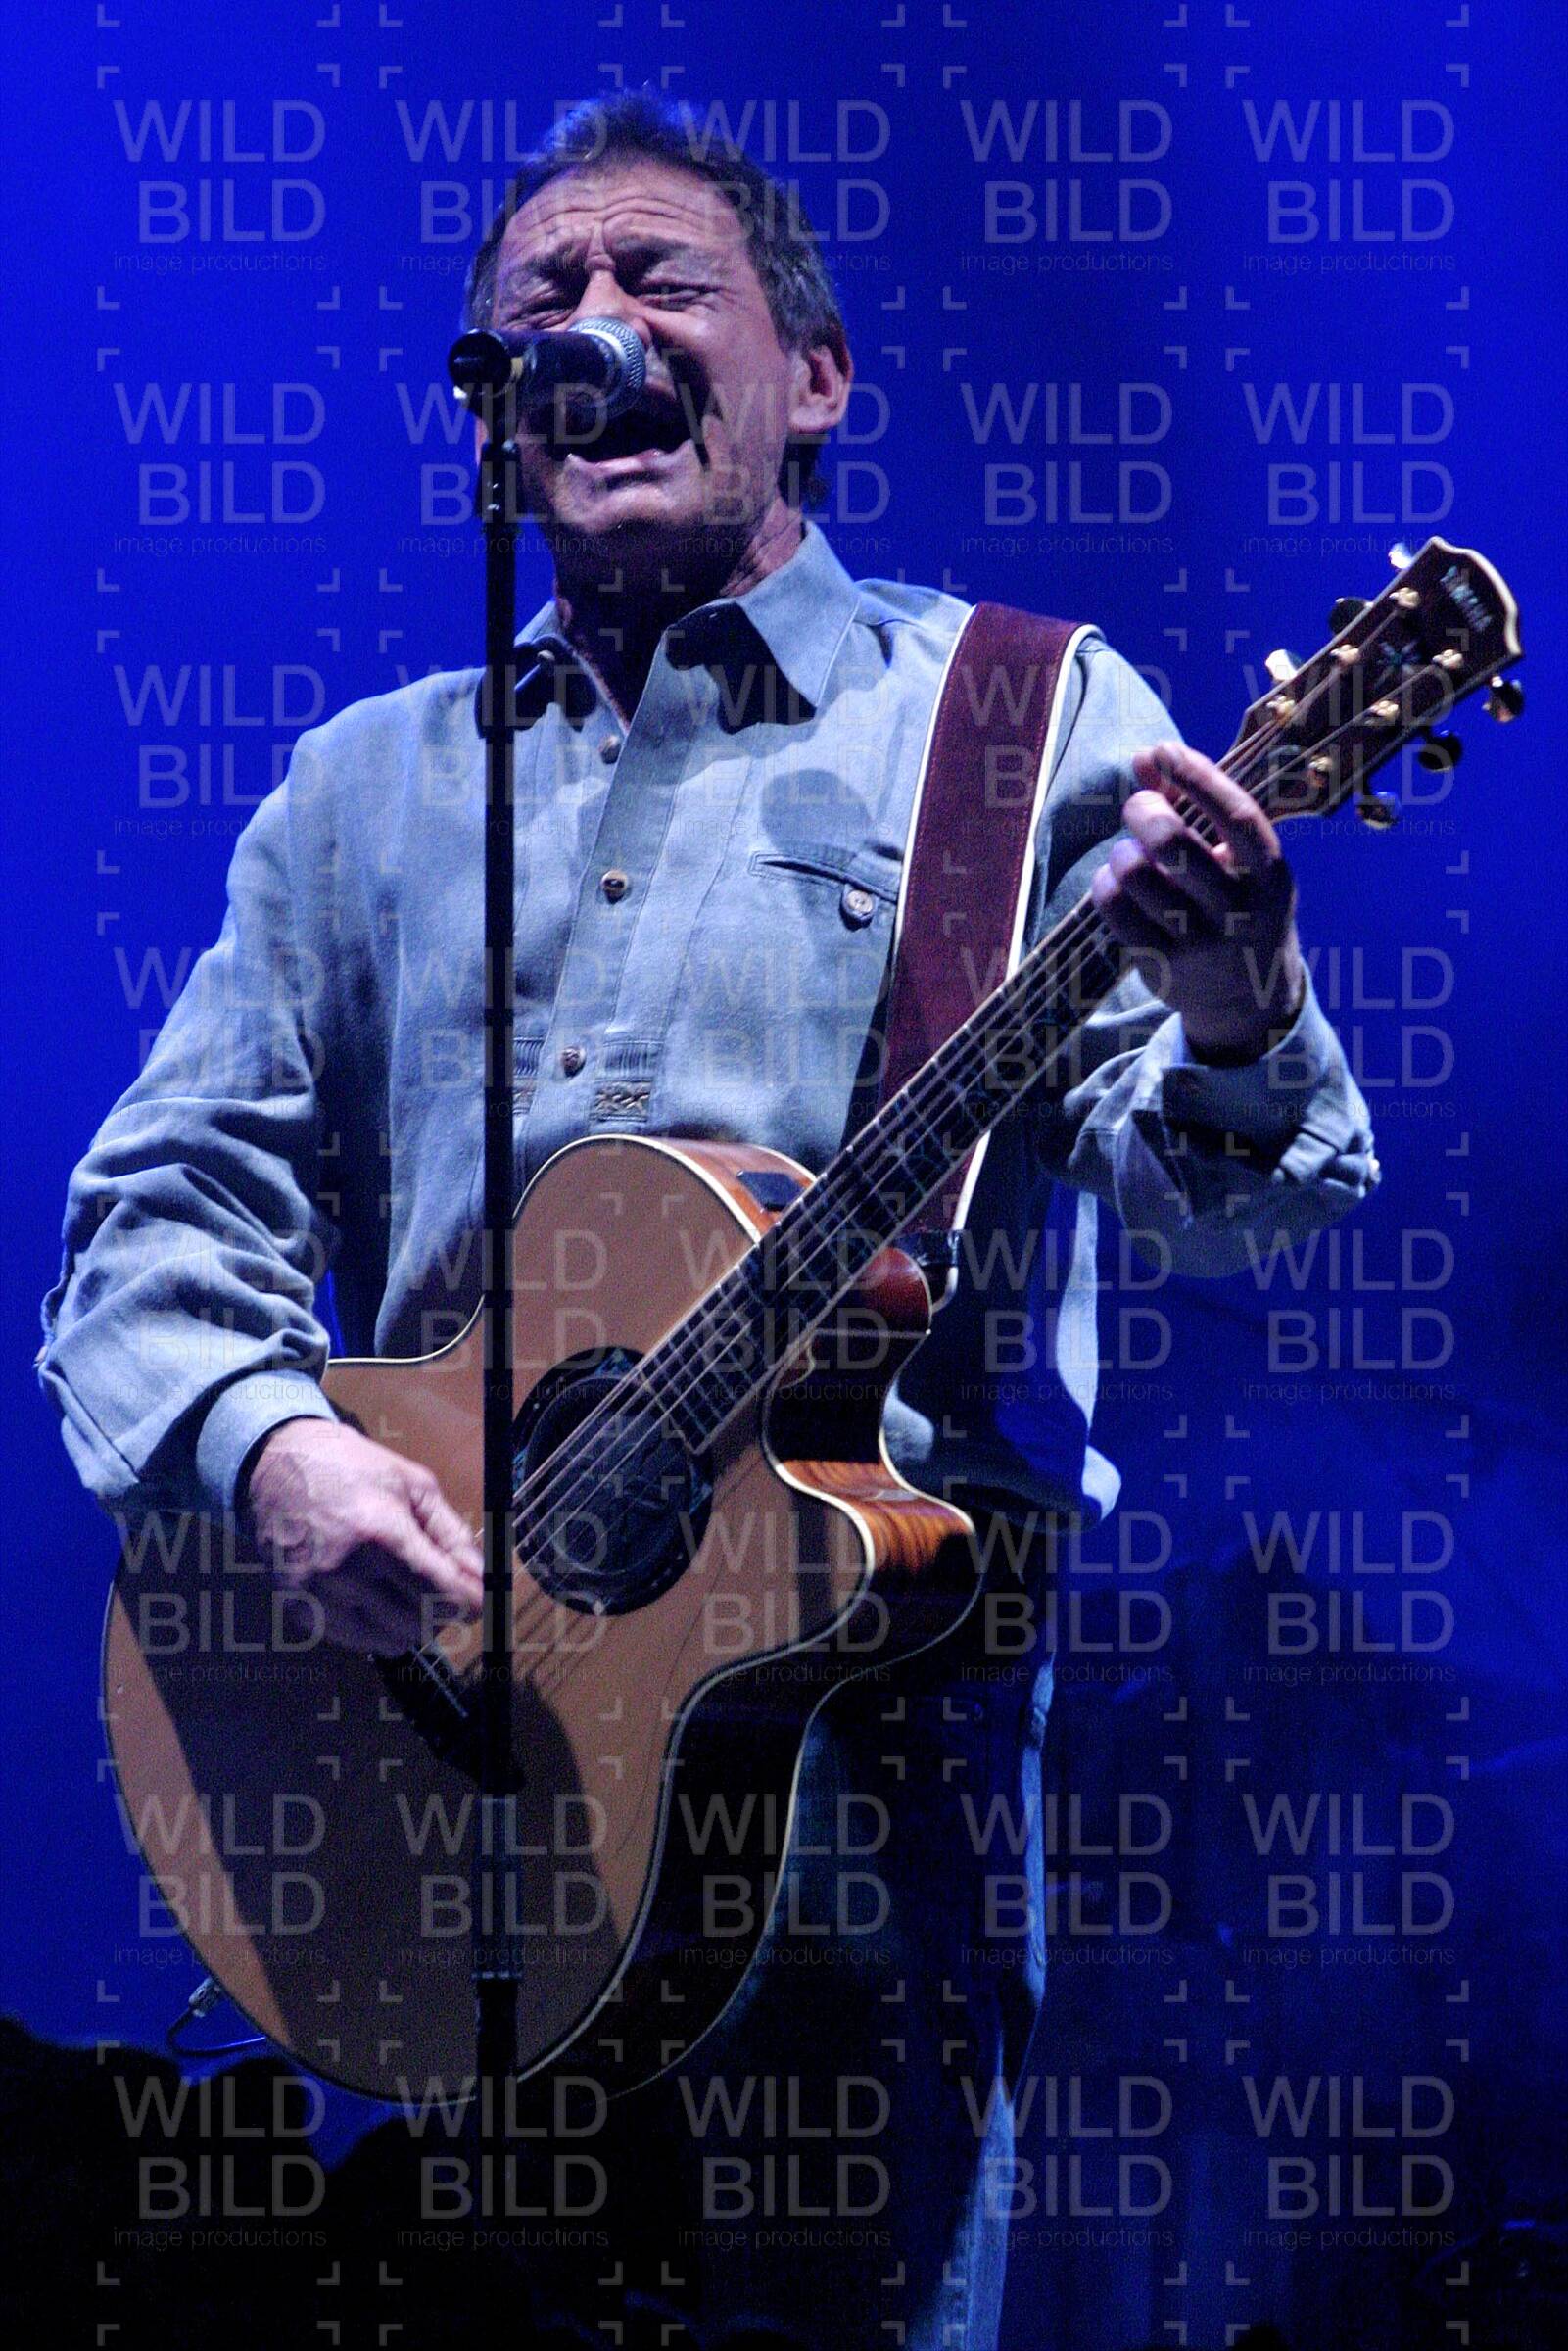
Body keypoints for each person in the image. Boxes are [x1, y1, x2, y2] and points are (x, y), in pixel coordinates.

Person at [39, 93, 1377, 2351]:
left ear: (816, 378)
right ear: (498, 417)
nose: (597, 325)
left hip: (858, 1787)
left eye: (660, 280)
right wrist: (273, 1457)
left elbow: (1234, 1204)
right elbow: (154, 1227)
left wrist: (1242, 995)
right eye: (540, 305)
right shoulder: (364, 790)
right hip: (422, 1764)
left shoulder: (1011, 718)